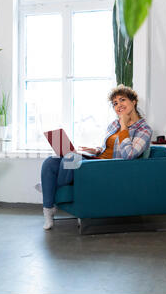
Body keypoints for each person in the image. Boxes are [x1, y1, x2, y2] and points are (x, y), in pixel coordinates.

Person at [39, 85, 153, 230]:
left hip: (108, 168)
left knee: (71, 158)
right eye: (115, 103)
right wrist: (95, 149)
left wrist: (124, 126)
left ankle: (49, 188)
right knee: (51, 162)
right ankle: (48, 211)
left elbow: (129, 155)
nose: (118, 105)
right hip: (97, 160)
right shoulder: (113, 124)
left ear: (134, 101)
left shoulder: (144, 129)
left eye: (122, 100)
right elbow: (108, 148)